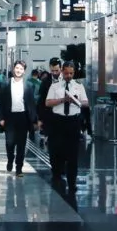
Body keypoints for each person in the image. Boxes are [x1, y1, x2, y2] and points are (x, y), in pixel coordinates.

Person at [45, 62, 88, 195]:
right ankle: (57, 174)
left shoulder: (79, 86)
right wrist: (63, 100)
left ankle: (72, 181)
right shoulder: (55, 86)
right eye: (66, 73)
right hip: (58, 121)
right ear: (62, 72)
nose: (69, 75)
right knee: (57, 150)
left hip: (72, 121)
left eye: (71, 73)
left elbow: (86, 103)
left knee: (73, 153)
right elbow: (48, 102)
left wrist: (76, 101)